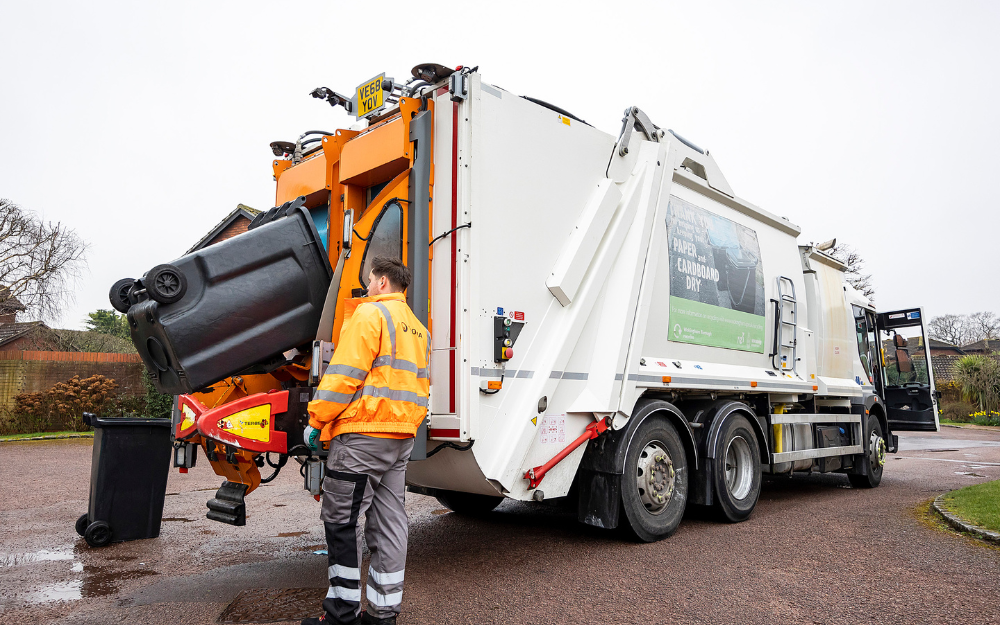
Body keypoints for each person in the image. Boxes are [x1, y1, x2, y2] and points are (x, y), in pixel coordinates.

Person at [301, 256, 430, 625]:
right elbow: (420, 385)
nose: (368, 287)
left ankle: (342, 614)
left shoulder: (370, 314)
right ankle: (382, 615)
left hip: (363, 437)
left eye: (372, 281)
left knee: (341, 519)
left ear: (384, 283)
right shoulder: (418, 329)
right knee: (390, 524)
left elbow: (344, 375)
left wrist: (317, 419)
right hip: (400, 438)